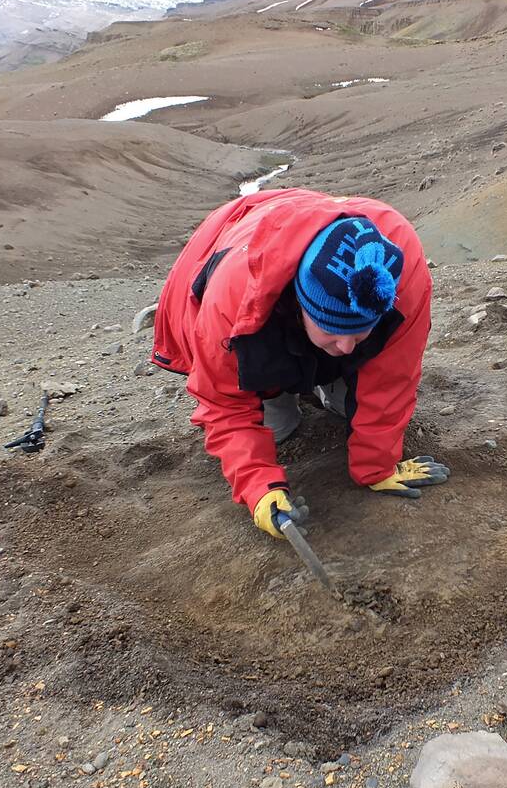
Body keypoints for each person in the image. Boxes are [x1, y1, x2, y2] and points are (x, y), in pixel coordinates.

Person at [151, 188, 449, 539]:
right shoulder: (231, 300)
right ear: (301, 306)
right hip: (251, 291)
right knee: (278, 427)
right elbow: (225, 403)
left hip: (306, 302)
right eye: (332, 330)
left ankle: (326, 379)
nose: (346, 346)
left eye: (360, 333)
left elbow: (393, 376)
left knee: (347, 401)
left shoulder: (400, 275)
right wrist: (259, 487)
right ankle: (277, 392)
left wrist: (377, 467)